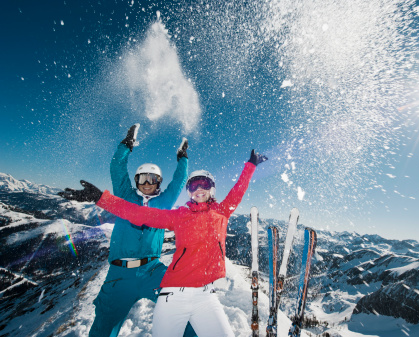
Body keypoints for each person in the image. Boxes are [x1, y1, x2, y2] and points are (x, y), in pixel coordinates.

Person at [59, 149, 268, 337]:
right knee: (104, 327)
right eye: (194, 185)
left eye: (204, 184)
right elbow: (136, 211)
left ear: (212, 188)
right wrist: (100, 197)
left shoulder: (216, 211)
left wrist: (250, 166)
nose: (199, 189)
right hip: (146, 284)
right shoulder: (175, 214)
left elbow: (236, 192)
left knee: (194, 329)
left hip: (179, 283)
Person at [88, 124, 196, 337]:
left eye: (152, 179)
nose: (147, 183)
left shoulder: (164, 202)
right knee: (103, 326)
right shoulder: (125, 198)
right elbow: (117, 169)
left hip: (152, 270)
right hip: (119, 275)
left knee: (185, 309)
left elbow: (179, 181)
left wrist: (182, 157)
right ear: (136, 181)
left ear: (159, 183)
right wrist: (125, 146)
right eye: (143, 179)